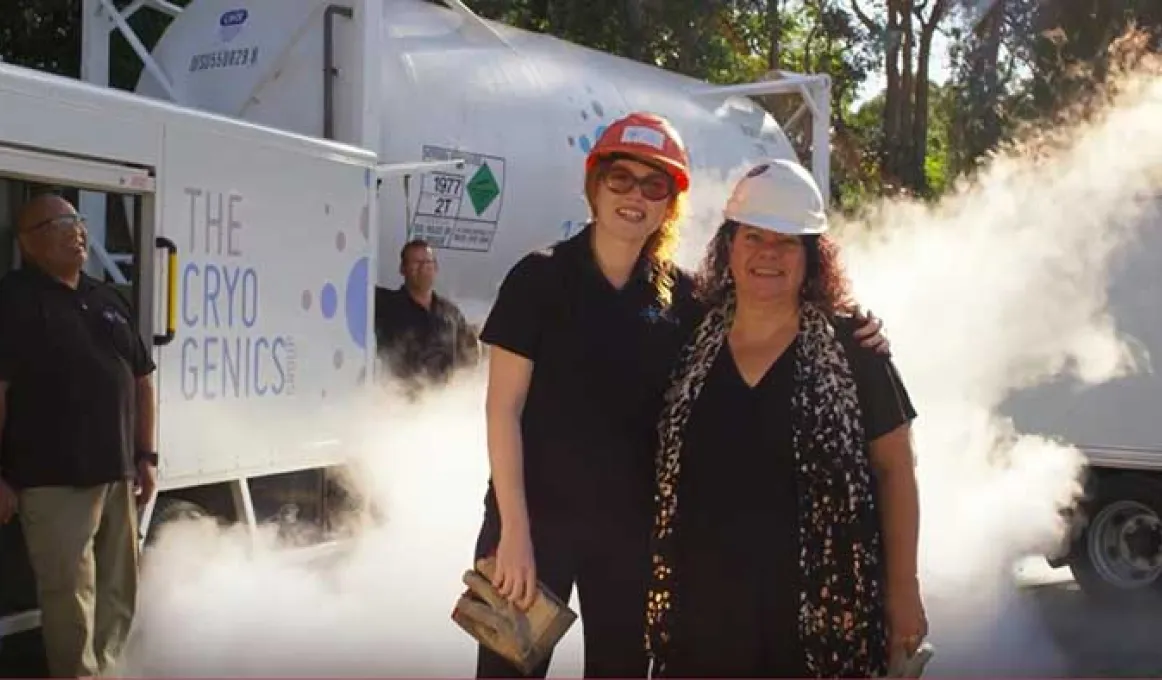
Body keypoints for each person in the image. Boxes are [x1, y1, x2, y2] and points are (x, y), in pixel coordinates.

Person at [470, 113, 891, 678]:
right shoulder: (538, 279)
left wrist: (854, 322)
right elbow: (503, 410)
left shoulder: (686, 301)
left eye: (655, 185)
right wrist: (514, 533)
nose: (634, 196)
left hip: (628, 536)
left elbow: (773, 305)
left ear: (671, 203)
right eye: (620, 178)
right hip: (531, 526)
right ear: (594, 184)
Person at [644, 160, 926, 678]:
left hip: (819, 622)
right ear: (728, 246)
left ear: (811, 257)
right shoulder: (687, 339)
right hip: (701, 616)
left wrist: (903, 588)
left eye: (787, 242)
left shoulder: (854, 350)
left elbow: (895, 471)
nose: (768, 254)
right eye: (753, 237)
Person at [0, 194, 158, 678]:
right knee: (70, 597)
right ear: (29, 242)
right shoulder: (13, 299)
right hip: (52, 479)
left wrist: (146, 455)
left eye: (79, 220)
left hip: (117, 472)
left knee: (117, 590)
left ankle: (108, 671)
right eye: (63, 222)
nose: (79, 231)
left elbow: (142, 381)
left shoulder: (107, 297)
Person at [374, 239, 480, 390]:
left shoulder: (451, 313)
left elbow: (469, 358)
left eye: (427, 263)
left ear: (436, 268)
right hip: (397, 402)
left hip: (442, 404)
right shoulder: (385, 304)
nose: (423, 268)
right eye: (416, 263)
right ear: (402, 269)